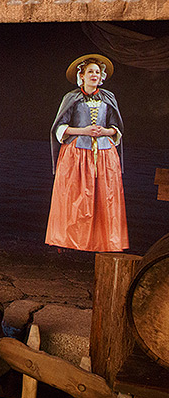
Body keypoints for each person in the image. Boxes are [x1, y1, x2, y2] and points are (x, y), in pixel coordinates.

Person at [45, 54, 129, 252]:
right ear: (81, 76)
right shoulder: (71, 98)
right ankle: (71, 241)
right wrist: (84, 131)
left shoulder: (108, 98)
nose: (94, 75)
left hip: (104, 153)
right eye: (90, 71)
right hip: (76, 153)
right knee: (75, 196)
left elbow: (116, 128)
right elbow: (59, 128)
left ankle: (104, 241)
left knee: (104, 196)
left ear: (102, 77)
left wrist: (105, 131)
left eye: (97, 72)